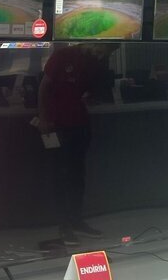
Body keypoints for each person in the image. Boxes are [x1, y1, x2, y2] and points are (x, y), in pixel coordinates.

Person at [37, 43, 115, 246]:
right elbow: (44, 86)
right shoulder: (63, 55)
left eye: (104, 54)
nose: (99, 55)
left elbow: (94, 88)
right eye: (99, 50)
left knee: (77, 175)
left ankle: (76, 221)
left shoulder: (94, 62)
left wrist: (93, 96)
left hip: (79, 124)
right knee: (60, 175)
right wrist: (44, 118)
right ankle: (64, 226)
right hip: (57, 125)